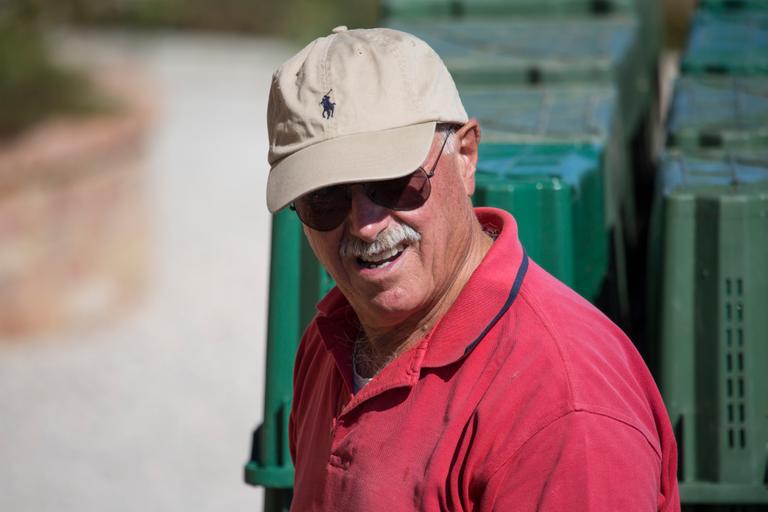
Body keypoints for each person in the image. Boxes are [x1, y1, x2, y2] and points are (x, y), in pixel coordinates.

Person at [265, 26, 680, 511]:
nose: (366, 224)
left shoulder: (562, 406)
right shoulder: (327, 343)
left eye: (392, 183)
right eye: (325, 199)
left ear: (465, 156)